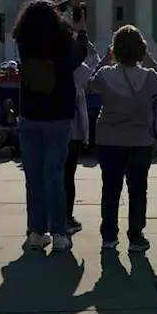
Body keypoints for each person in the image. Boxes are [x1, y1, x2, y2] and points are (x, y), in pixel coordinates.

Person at [12, 0, 91, 253]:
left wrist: (60, 5)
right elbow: (80, 43)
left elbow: (38, 17)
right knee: (55, 174)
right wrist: (76, 9)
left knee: (33, 177)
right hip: (59, 114)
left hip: (30, 114)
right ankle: (59, 233)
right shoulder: (63, 43)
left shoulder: (24, 42)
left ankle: (36, 231)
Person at [88, 25, 157, 253]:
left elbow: (90, 83)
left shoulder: (105, 74)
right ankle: (136, 236)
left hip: (109, 139)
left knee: (110, 190)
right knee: (137, 190)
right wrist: (148, 57)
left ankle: (109, 236)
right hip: (139, 140)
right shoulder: (148, 76)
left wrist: (105, 58)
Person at [62, 50, 96, 236]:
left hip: (47, 123)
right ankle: (66, 217)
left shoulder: (43, 57)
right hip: (71, 127)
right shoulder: (76, 65)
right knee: (68, 176)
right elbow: (95, 80)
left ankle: (40, 222)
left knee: (47, 175)